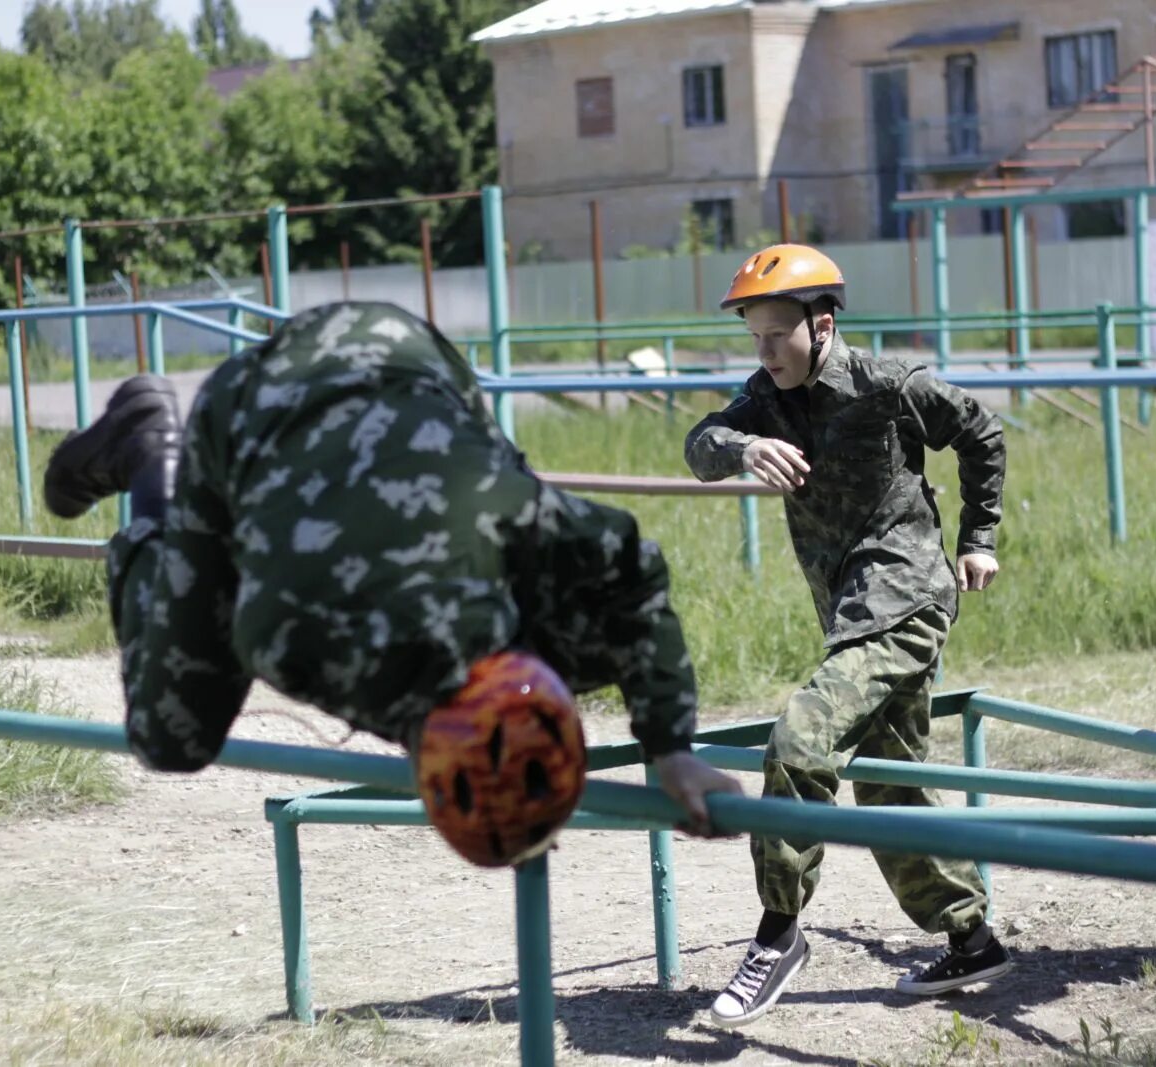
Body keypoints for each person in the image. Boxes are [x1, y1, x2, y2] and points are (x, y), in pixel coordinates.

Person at [42, 300, 741, 866]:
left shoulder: (532, 535)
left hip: (405, 347)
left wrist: (669, 747)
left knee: (596, 629)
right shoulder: (290, 637)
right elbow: (214, 626)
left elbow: (633, 569)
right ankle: (148, 442)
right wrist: (669, 744)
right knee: (173, 733)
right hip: (259, 402)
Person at [682, 244, 1011, 1028]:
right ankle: (972, 938)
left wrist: (980, 536)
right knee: (891, 782)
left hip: (909, 599)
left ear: (821, 325)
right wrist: (742, 446)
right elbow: (700, 445)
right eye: (755, 338)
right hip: (849, 611)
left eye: (777, 337)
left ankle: (778, 932)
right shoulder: (764, 398)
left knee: (800, 743)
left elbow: (983, 432)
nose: (765, 354)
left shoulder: (887, 386)